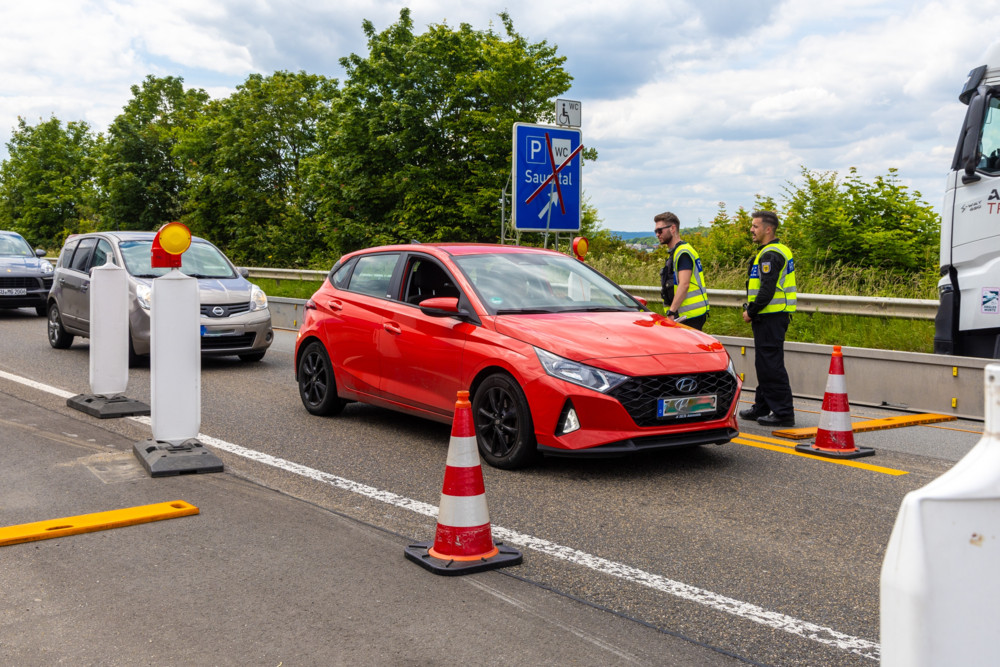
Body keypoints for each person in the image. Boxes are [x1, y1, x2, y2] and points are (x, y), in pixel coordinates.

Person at [740, 210, 796, 427]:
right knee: (764, 364)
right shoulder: (774, 250)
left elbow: (767, 290)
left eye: (755, 226)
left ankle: (783, 413)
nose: (751, 230)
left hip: (770, 316)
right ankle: (762, 406)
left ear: (768, 229)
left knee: (771, 365)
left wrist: (751, 311)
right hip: (771, 316)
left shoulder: (770, 254)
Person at [653, 212, 709, 330]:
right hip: (687, 314)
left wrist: (671, 312)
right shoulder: (678, 251)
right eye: (656, 232)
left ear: (672, 228)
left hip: (689, 315)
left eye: (660, 230)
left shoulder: (683, 252)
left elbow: (684, 284)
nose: (657, 234)